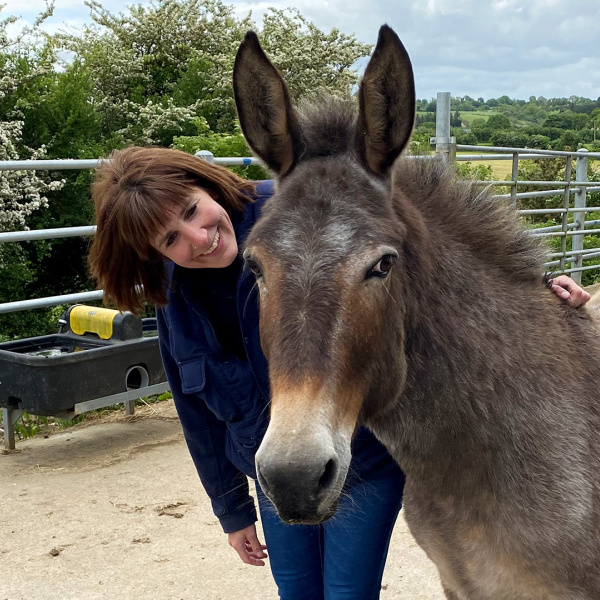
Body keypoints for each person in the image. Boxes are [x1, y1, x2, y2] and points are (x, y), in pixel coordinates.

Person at [87, 146, 591, 600]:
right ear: (153, 254)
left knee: (348, 591)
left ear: (210, 186)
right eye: (172, 238)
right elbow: (195, 410)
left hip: (362, 458)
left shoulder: (299, 212)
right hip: (275, 461)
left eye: (193, 210)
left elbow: (423, 255)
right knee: (297, 590)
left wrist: (534, 285)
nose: (198, 237)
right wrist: (231, 511)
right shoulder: (176, 299)